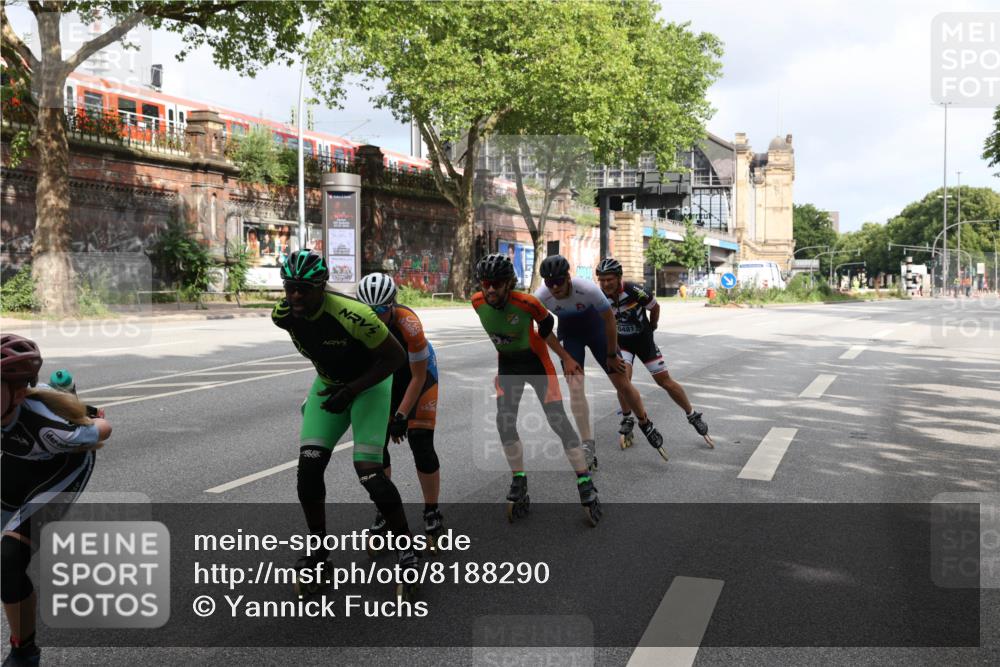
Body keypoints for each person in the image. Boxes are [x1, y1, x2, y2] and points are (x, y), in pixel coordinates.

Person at [272, 251, 420, 595]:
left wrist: (353, 388)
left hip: (369, 386)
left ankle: (406, 550)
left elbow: (396, 357)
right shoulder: (283, 315)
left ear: (322, 287)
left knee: (369, 471)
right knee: (308, 470)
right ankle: (320, 554)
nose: (295, 296)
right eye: (289, 287)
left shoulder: (354, 314)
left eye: (303, 289)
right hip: (328, 386)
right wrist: (335, 387)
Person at [2, 334, 112, 667]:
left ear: (18, 394)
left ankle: (25, 651)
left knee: (7, 560)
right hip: (21, 460)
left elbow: (104, 429)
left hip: (63, 466)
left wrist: (90, 419)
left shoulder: (51, 428)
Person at [472, 252, 601, 525]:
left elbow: (546, 328)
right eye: (486, 283)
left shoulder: (527, 303)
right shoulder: (477, 302)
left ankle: (584, 479)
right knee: (504, 423)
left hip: (536, 362)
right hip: (508, 364)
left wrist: (565, 357)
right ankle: (519, 479)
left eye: (497, 283)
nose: (490, 289)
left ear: (509, 283)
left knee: (558, 421)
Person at [534, 255, 665, 470]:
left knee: (621, 382)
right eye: (549, 283)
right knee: (575, 387)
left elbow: (609, 320)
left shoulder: (587, 289)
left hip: (599, 333)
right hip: (571, 337)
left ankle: (644, 422)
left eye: (558, 281)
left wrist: (613, 354)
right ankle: (587, 444)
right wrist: (565, 358)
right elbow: (544, 330)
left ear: (568, 277)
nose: (554, 288)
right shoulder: (541, 296)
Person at [356, 273, 444, 548]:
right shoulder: (356, 322)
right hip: (385, 380)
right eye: (370, 311)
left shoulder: (409, 325)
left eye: (382, 310)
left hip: (420, 376)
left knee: (421, 443)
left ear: (392, 305)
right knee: (375, 446)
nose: (376, 316)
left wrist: (401, 416)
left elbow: (417, 378)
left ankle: (432, 511)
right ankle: (384, 510)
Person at [595, 258, 714, 448]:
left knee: (664, 382)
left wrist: (653, 326)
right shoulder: (599, 296)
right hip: (622, 343)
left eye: (609, 279)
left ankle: (692, 414)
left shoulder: (633, 291)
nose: (606, 284)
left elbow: (655, 307)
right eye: (602, 280)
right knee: (622, 380)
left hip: (644, 342)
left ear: (618, 278)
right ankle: (627, 418)